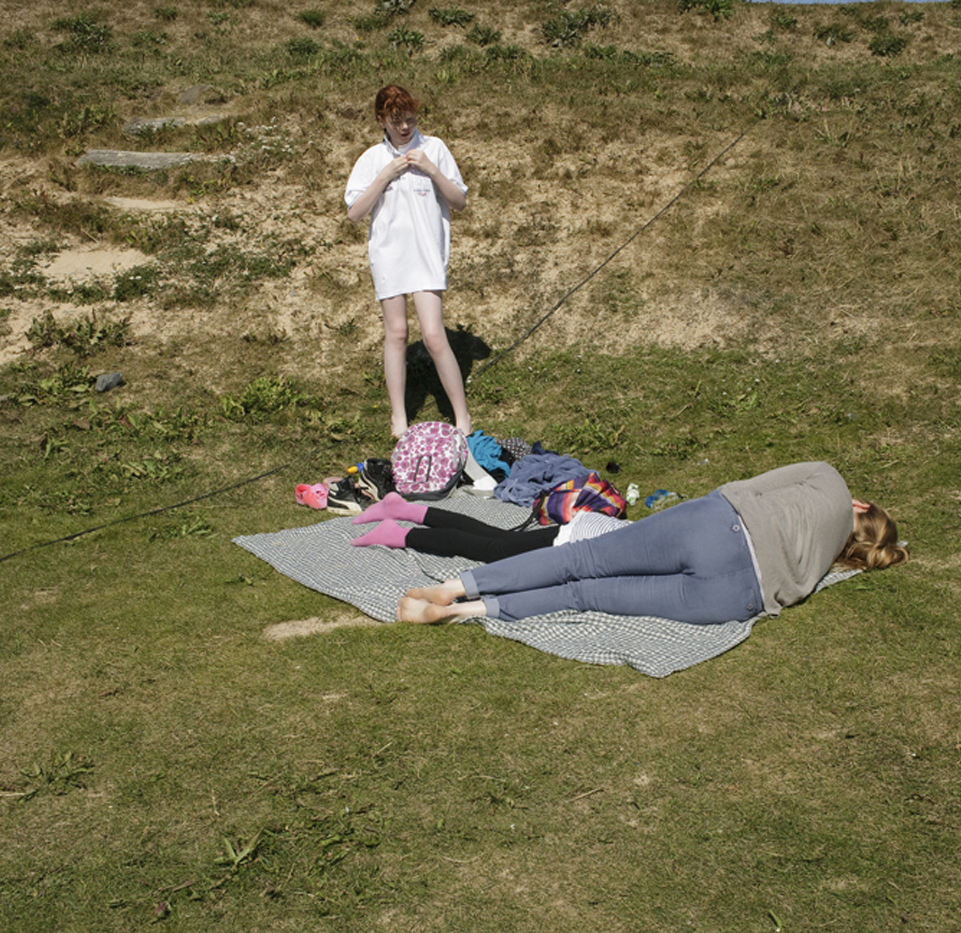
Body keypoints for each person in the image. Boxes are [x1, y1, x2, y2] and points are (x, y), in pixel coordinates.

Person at [392, 462, 908, 626]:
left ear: (862, 508)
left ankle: (453, 587)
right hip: (738, 596)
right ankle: (466, 613)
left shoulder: (831, 481)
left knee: (580, 559)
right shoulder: (823, 568)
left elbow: (747, 489)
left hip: (720, 527)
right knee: (585, 595)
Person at [344, 84, 472, 437]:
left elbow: (459, 202)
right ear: (381, 120)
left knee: (433, 335)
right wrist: (385, 176)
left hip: (427, 253)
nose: (404, 128)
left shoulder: (435, 148)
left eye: (410, 120)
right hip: (389, 254)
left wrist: (431, 169)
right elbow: (355, 213)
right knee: (397, 333)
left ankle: (462, 416)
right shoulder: (371, 158)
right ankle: (399, 418)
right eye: (396, 121)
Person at [350, 492, 629, 563]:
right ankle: (400, 534)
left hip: (597, 532)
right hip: (589, 539)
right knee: (496, 550)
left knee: (501, 539)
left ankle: (402, 510)